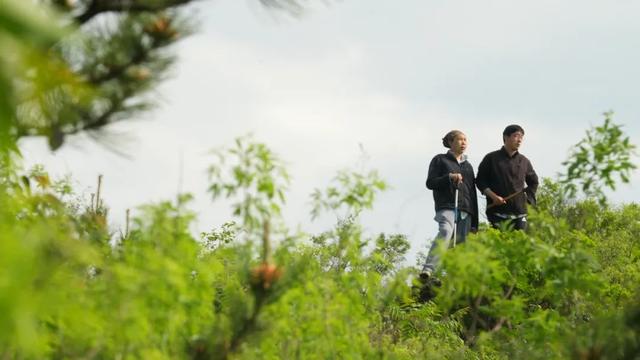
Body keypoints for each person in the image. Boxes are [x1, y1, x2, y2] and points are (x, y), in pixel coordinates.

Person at [421, 130, 478, 279]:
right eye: (460, 139)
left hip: (466, 210)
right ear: (451, 142)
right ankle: (428, 270)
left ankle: (452, 278)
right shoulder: (439, 160)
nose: (464, 142)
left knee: (460, 245)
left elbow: (472, 193)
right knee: (446, 232)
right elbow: (430, 183)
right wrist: (449, 177)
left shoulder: (468, 166)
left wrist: (475, 223)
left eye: (466, 140)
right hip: (447, 205)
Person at [476, 124, 539, 230]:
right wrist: (494, 197)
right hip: (496, 212)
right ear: (506, 137)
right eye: (516, 136)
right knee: (500, 244)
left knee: (519, 243)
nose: (519, 140)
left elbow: (534, 182)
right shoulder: (491, 158)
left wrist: (528, 202)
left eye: (521, 137)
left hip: (520, 213)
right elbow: (480, 181)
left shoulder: (524, 161)